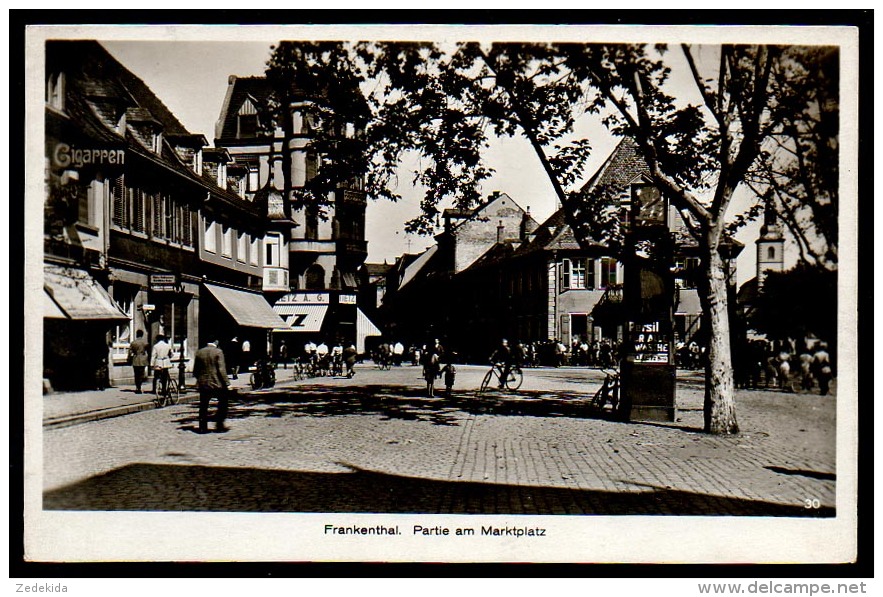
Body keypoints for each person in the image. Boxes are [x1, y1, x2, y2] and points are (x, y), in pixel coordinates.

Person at [192, 339, 231, 434]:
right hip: (217, 383)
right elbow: (221, 369)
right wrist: (227, 382)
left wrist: (200, 379)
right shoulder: (218, 352)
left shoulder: (199, 352)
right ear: (216, 342)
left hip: (203, 383)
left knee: (203, 405)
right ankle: (219, 424)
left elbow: (195, 370)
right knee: (223, 402)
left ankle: (202, 427)